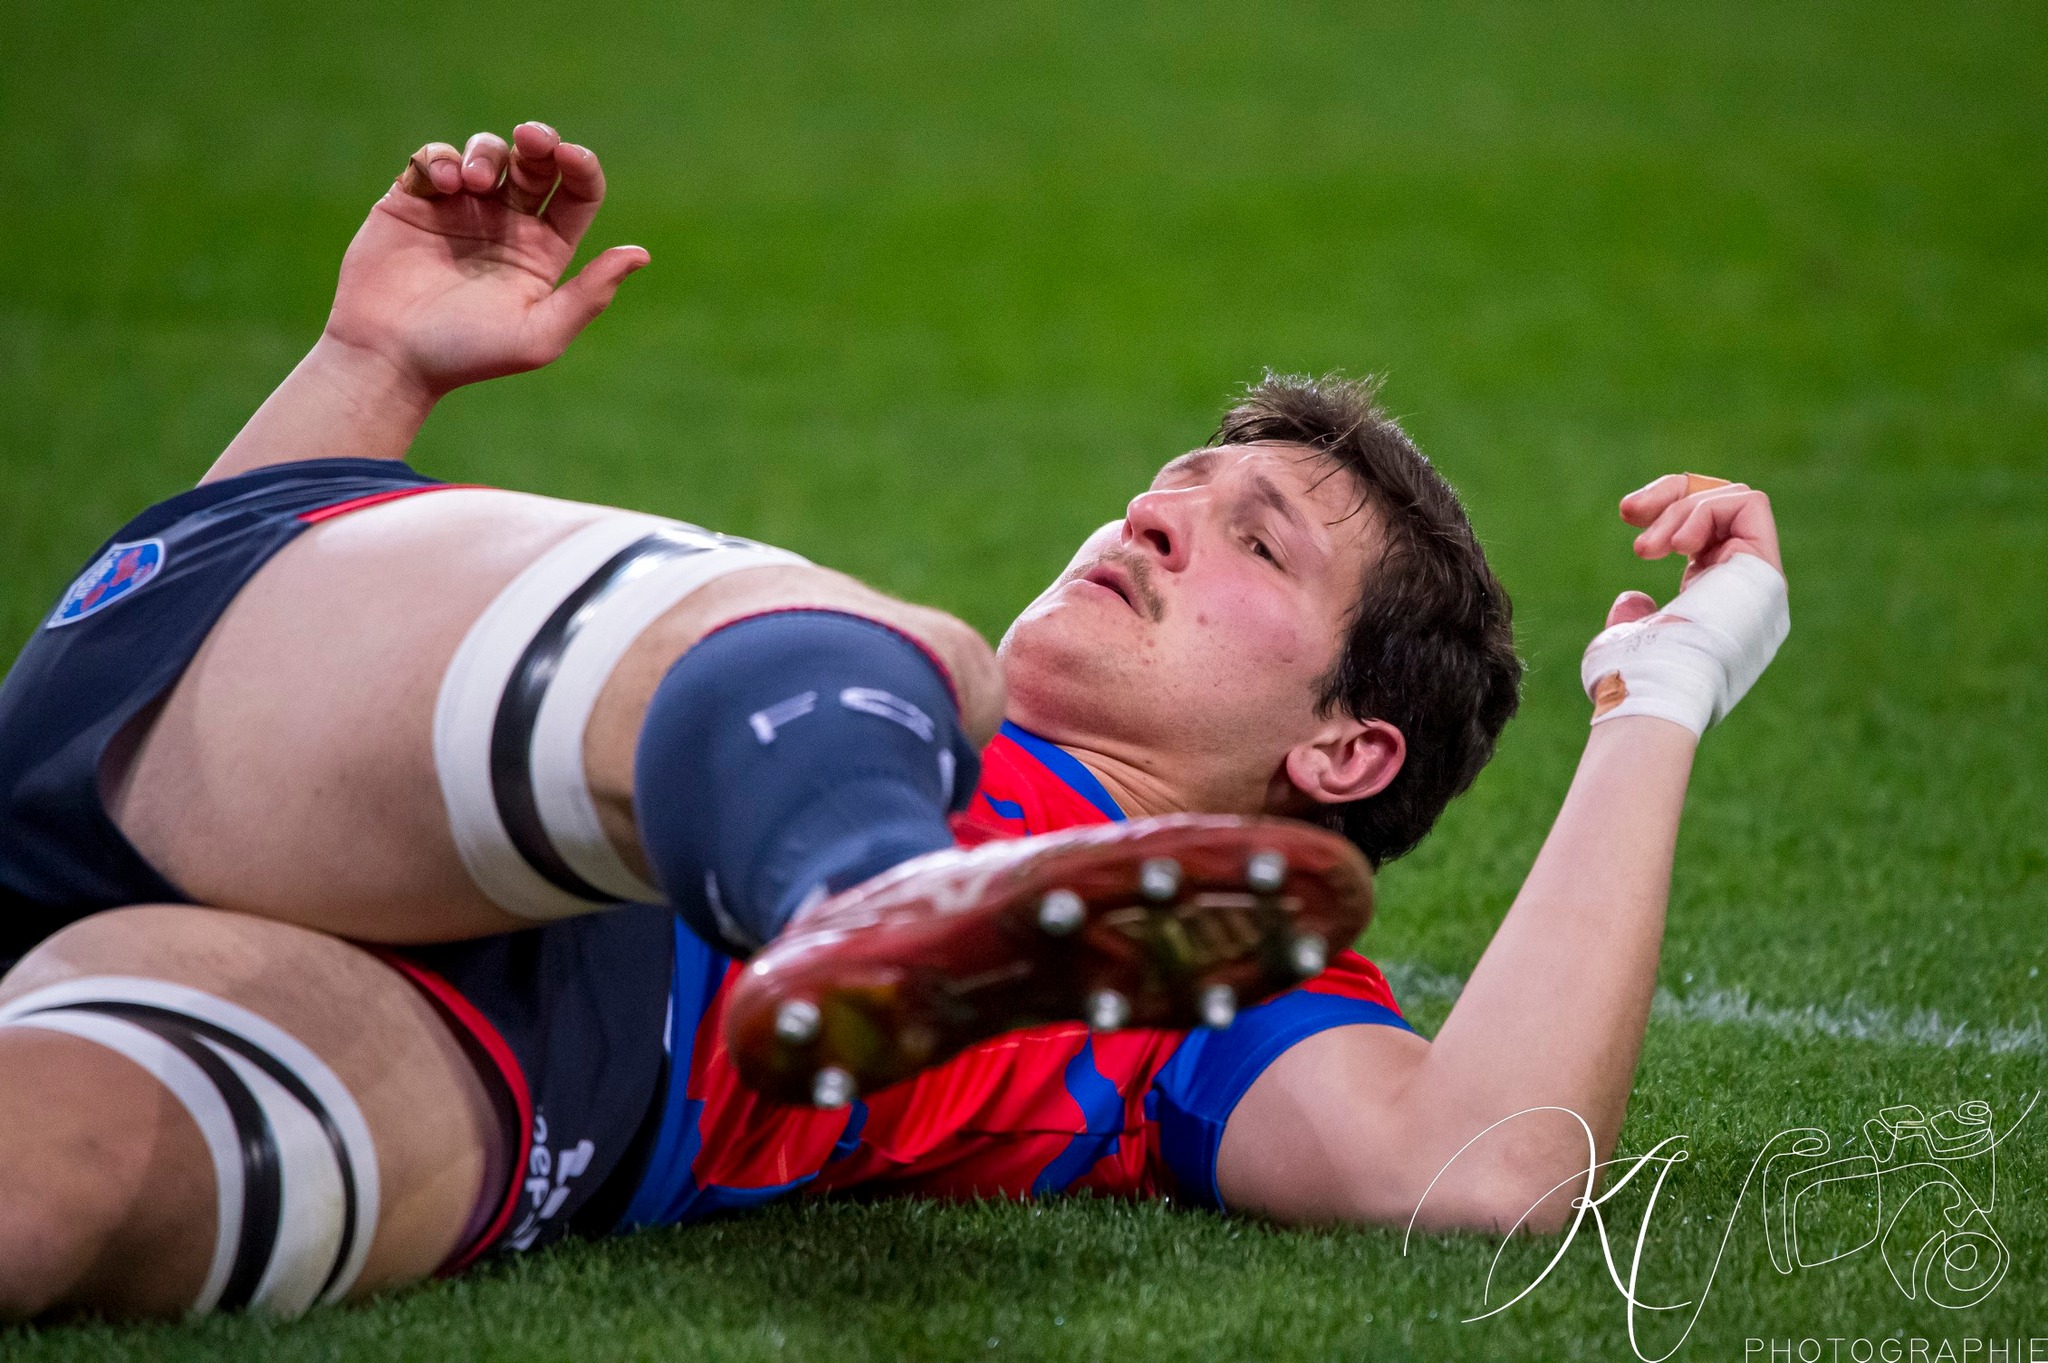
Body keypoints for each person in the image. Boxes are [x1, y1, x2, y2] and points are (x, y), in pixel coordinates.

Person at [0, 123, 1790, 1323]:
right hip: (319, 741)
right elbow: (182, 660)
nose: (1152, 518)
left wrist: (1661, 695)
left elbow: (1482, 1176)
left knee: (54, 1181)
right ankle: (861, 889)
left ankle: (857, 891)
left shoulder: (1215, 986)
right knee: (882, 664)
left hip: (560, 1076)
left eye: (1257, 542)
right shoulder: (863, 678)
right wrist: (371, 367)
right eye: (1170, 486)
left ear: (1348, 749)